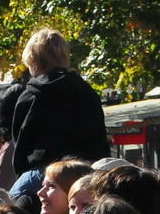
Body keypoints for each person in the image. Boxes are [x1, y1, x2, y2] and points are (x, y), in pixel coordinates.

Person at [7, 28, 111, 181]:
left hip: (43, 171)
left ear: (34, 63)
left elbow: (21, 145)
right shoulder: (88, 93)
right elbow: (100, 136)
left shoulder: (30, 97)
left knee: (13, 199)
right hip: (87, 171)